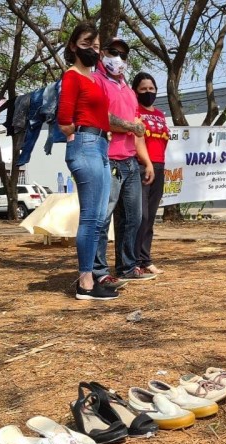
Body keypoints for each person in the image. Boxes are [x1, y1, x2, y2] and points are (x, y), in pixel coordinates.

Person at [57, 21, 117, 301]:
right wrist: (80, 139)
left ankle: (91, 277)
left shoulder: (96, 79)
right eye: (86, 44)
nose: (92, 50)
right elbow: (64, 121)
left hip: (102, 146)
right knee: (91, 217)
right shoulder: (72, 77)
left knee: (100, 218)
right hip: (86, 145)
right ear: (73, 46)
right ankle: (85, 282)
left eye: (95, 46)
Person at [93, 38, 156, 285]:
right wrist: (130, 126)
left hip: (130, 162)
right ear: (103, 53)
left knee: (134, 218)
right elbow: (100, 117)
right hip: (107, 160)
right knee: (102, 218)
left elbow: (137, 132)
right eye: (113, 52)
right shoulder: (96, 81)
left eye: (123, 54)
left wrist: (147, 162)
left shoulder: (129, 92)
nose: (118, 58)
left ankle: (127, 267)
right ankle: (98, 271)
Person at [133, 72, 170, 275]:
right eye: (143, 89)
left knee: (151, 217)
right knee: (141, 216)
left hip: (159, 166)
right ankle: (134, 261)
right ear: (135, 91)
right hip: (140, 167)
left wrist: (157, 164)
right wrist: (146, 163)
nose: (148, 92)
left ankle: (146, 259)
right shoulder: (135, 110)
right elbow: (137, 140)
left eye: (151, 89)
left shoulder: (160, 114)